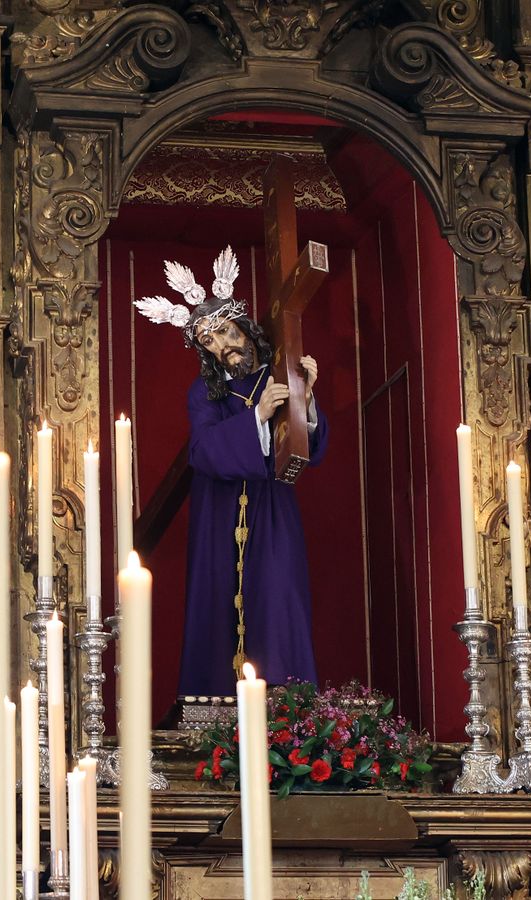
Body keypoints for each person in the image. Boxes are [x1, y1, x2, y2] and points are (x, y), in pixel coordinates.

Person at [135, 247, 327, 697]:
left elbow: (306, 450)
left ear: (243, 326)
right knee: (219, 606)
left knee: (277, 597)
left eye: (224, 331)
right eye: (209, 341)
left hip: (272, 510)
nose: (222, 346)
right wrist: (256, 417)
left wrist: (306, 397)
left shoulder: (279, 372)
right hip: (219, 516)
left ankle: (287, 705)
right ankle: (215, 707)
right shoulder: (205, 393)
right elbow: (203, 450)